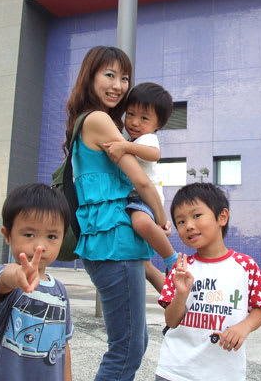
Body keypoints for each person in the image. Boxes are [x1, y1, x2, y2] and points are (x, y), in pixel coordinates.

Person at [64, 46, 171, 381]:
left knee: (133, 343)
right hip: (114, 243)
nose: (119, 85)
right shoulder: (98, 120)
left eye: (124, 77)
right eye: (109, 74)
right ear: (90, 76)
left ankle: (167, 282)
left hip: (108, 242)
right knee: (126, 348)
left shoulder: (89, 121)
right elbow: (140, 178)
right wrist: (161, 218)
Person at [155, 182, 261, 381]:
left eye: (196, 216)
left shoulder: (245, 266)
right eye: (181, 221)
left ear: (222, 217)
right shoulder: (181, 268)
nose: (189, 226)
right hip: (175, 371)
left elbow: (260, 310)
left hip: (224, 373)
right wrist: (182, 294)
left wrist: (243, 327)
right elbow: (171, 321)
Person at [0, 183, 74, 381]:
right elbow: (6, 280)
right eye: (29, 234)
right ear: (7, 235)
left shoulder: (60, 291)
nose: (40, 245)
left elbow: (63, 343)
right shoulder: (3, 276)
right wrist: (19, 275)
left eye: (52, 236)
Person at [103, 82, 178, 293]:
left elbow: (154, 154)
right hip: (132, 198)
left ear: (158, 125)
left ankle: (171, 259)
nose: (134, 122)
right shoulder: (129, 138)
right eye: (131, 114)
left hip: (144, 198)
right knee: (143, 260)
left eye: (144, 118)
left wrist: (125, 146)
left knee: (141, 224)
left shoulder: (148, 139)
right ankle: (174, 301)